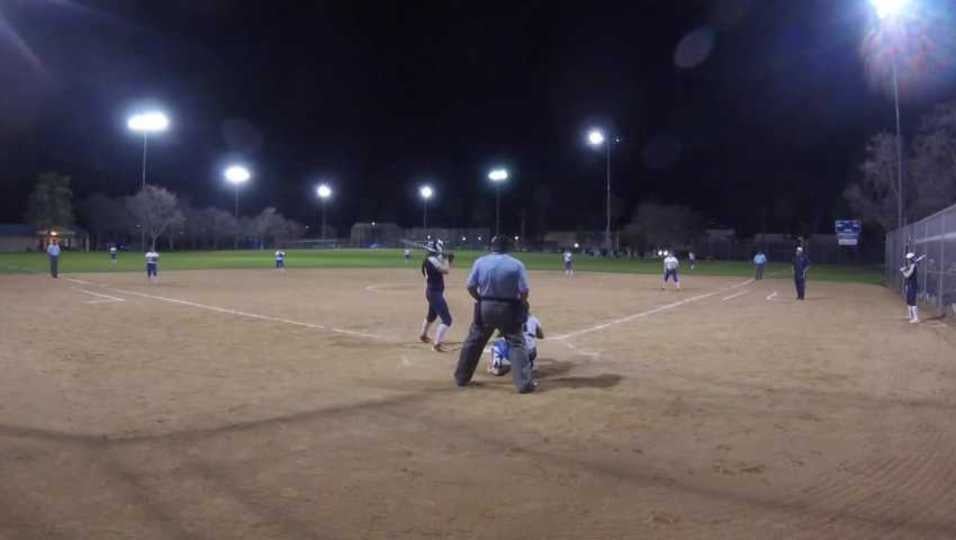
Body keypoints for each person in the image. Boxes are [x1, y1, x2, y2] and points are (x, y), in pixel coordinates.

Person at [454, 235, 535, 393]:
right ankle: (524, 384)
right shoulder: (516, 264)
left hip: (486, 305)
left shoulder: (481, 262)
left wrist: (481, 299)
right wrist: (521, 303)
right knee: (517, 343)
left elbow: (470, 286)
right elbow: (524, 291)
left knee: (474, 341)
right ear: (508, 247)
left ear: (492, 246)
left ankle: (461, 378)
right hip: (508, 307)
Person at [419, 240, 453, 352]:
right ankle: (437, 344)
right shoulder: (432, 260)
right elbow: (446, 270)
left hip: (431, 291)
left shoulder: (428, 260)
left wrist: (445, 258)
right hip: (435, 293)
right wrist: (447, 259)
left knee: (431, 316)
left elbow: (439, 265)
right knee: (447, 320)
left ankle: (423, 335)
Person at [487, 311, 544, 376]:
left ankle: (496, 368)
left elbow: (499, 335)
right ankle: (530, 367)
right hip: (531, 354)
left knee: (496, 344)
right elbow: (541, 336)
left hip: (517, 353)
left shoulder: (511, 318)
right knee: (530, 344)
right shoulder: (534, 319)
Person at [900, 252, 920, 323]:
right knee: (908, 301)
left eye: (908, 259)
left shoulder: (913, 266)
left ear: (911, 259)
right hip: (909, 285)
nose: (907, 260)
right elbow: (908, 269)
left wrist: (903, 271)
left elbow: (907, 275)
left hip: (913, 286)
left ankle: (916, 318)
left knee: (912, 301)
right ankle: (910, 316)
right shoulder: (911, 265)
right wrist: (905, 268)